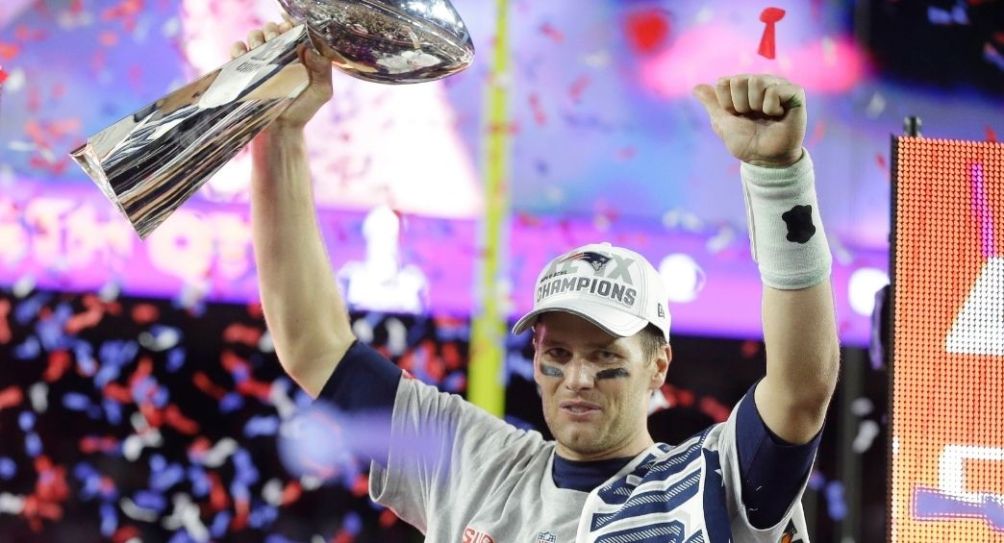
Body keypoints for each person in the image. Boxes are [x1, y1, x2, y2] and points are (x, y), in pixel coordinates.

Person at [237, 20, 839, 543]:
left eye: (606, 355)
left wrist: (777, 177)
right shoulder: (473, 465)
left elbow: (801, 389)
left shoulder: (713, 478)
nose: (577, 378)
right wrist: (280, 136)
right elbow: (315, 347)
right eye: (558, 353)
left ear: (659, 364)